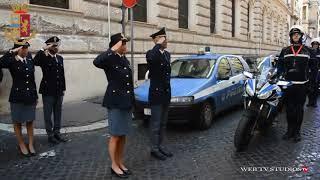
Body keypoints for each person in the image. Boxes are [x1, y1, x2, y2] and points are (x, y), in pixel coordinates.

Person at [93, 33, 133, 178]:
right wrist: (112, 49)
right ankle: (114, 165)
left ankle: (120, 162)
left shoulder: (124, 59)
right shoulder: (110, 58)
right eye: (123, 43)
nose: (125, 46)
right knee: (115, 135)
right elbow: (96, 62)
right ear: (117, 45)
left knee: (123, 135)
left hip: (126, 102)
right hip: (115, 102)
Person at [277, 25, 318, 142]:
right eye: (293, 34)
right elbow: (279, 66)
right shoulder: (285, 50)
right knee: (289, 109)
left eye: (298, 34)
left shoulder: (309, 51)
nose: (296, 36)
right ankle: (289, 131)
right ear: (290, 36)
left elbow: (314, 69)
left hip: (302, 85)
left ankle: (297, 132)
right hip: (288, 85)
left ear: (301, 36)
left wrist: (312, 83)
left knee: (299, 109)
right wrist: (277, 77)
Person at [0, 39, 38, 156]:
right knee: (17, 122)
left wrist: (35, 95)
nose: (26, 50)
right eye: (24, 48)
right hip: (17, 96)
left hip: (30, 95)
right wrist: (12, 51)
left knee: (30, 121)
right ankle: (21, 144)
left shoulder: (30, 59)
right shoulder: (12, 61)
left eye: (27, 48)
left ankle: (31, 144)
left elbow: (32, 80)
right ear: (19, 49)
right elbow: (1, 63)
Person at [34, 36, 67, 144]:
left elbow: (61, 75)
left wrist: (63, 89)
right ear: (49, 46)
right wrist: (43, 49)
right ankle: (50, 135)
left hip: (59, 91)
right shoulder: (44, 57)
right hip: (48, 91)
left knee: (58, 113)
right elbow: (35, 61)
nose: (56, 47)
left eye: (57, 45)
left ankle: (57, 133)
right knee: (47, 114)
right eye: (54, 45)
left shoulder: (60, 58)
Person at [147, 27, 173, 160]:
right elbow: (152, 58)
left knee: (163, 123)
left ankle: (160, 146)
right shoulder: (151, 53)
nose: (166, 40)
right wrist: (157, 44)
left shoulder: (167, 54)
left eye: (165, 38)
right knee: (155, 123)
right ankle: (154, 149)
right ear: (157, 40)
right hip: (156, 94)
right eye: (163, 38)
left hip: (166, 94)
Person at [306, 38, 320, 107]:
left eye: (316, 44)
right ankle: (309, 101)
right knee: (309, 87)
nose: (315, 45)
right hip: (310, 72)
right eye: (314, 44)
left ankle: (314, 102)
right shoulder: (309, 51)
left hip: (317, 72)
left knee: (316, 88)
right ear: (312, 45)